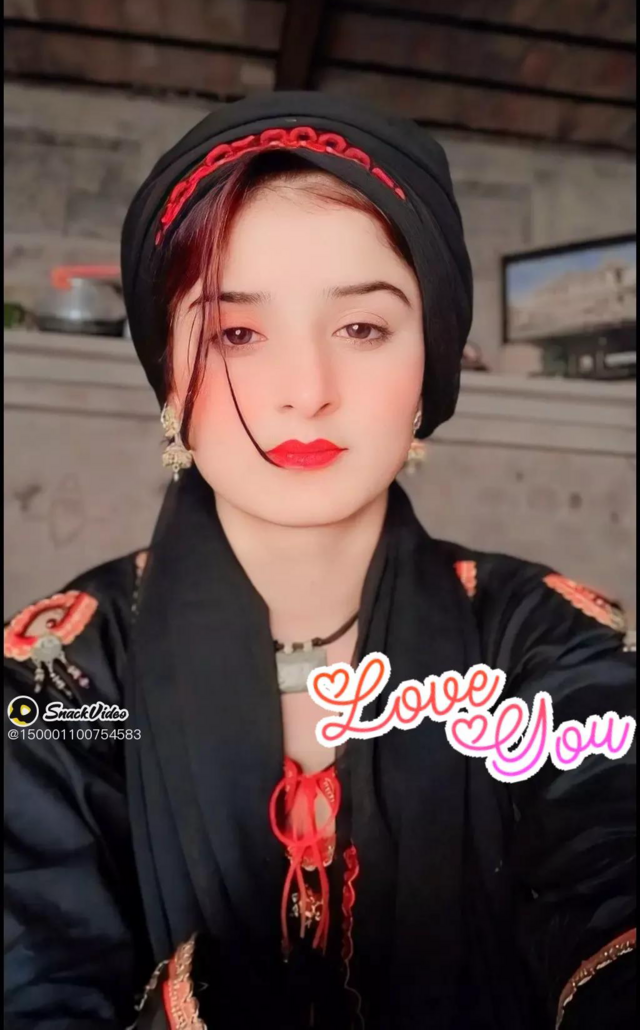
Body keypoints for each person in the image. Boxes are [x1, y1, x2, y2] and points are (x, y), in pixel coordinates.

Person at [4, 93, 636, 1030]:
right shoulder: (59, 676)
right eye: (237, 333)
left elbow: (610, 851)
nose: (306, 391)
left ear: (430, 367)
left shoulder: (542, 637)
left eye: (362, 328)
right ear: (169, 374)